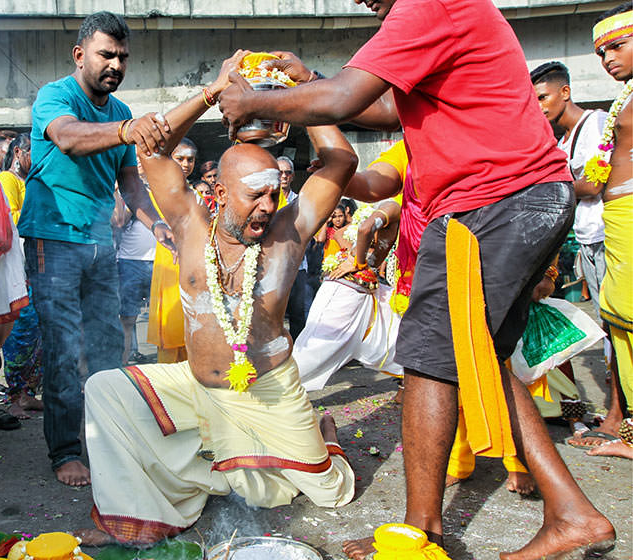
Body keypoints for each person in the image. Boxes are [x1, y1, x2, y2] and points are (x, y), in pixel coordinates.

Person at [218, 1, 616, 557]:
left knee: (428, 359)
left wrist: (252, 99)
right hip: (515, 200)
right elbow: (388, 109)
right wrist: (308, 81)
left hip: (491, 204)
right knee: (480, 360)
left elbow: (345, 99)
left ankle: (417, 535)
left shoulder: (426, 3)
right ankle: (572, 512)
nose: (361, 1)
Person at [77, 50, 356, 547]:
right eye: (256, 195)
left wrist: (306, 85)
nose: (268, 206)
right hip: (198, 387)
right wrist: (215, 88)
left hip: (268, 391)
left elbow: (342, 160)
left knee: (331, 495)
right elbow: (151, 152)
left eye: (275, 193)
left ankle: (321, 434)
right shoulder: (189, 225)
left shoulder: (289, 233)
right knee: (104, 389)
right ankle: (138, 515)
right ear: (220, 192)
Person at [17, 11, 173, 487]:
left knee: (108, 350)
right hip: (54, 239)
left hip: (100, 245)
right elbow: (67, 138)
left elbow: (130, 183)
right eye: (107, 54)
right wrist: (127, 132)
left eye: (123, 57)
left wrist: (159, 226)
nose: (116, 64)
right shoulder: (55, 96)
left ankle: (108, 440)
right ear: (80, 55)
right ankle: (65, 451)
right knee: (65, 351)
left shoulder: (121, 112)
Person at [583, 2, 633, 460]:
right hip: (615, 218)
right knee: (619, 317)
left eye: (617, 46)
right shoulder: (625, 98)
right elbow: (597, 177)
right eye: (601, 53)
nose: (607, 59)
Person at [294, 198, 402, 391]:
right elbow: (363, 230)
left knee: (395, 329)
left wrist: (357, 259)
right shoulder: (391, 208)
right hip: (346, 290)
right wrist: (357, 261)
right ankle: (278, 388)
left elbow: (351, 234)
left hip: (361, 289)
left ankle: (408, 383)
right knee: (317, 347)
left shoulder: (390, 211)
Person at [531, 61, 608, 314]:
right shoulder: (561, 144)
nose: (539, 107)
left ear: (565, 92)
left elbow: (594, 185)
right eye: (534, 101)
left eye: (543, 97)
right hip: (587, 238)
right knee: (604, 316)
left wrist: (548, 192)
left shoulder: (596, 123)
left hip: (607, 235)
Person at [0, 134, 44, 419]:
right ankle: (15, 395)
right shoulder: (7, 180)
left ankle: (28, 392)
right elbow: (12, 220)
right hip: (17, 268)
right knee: (20, 332)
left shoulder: (31, 182)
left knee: (37, 329)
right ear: (18, 152)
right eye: (33, 154)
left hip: (35, 266)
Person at [147, 137, 197, 363]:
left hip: (193, 266)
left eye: (190, 160)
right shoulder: (157, 191)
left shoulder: (196, 193)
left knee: (193, 330)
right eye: (180, 159)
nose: (185, 164)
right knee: (169, 329)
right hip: (169, 265)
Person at [114, 157, 156, 365]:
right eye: (135, 161)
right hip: (130, 263)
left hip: (159, 262)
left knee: (162, 318)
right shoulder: (125, 192)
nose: (139, 164)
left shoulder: (162, 187)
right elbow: (119, 221)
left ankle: (168, 370)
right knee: (128, 318)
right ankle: (122, 366)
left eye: (142, 160)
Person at [277, 155, 311, 340]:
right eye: (279, 172)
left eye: (287, 173)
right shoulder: (266, 201)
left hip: (297, 266)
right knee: (274, 315)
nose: (283, 176)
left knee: (298, 312)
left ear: (292, 177)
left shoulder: (300, 201)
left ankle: (298, 354)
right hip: (273, 266)